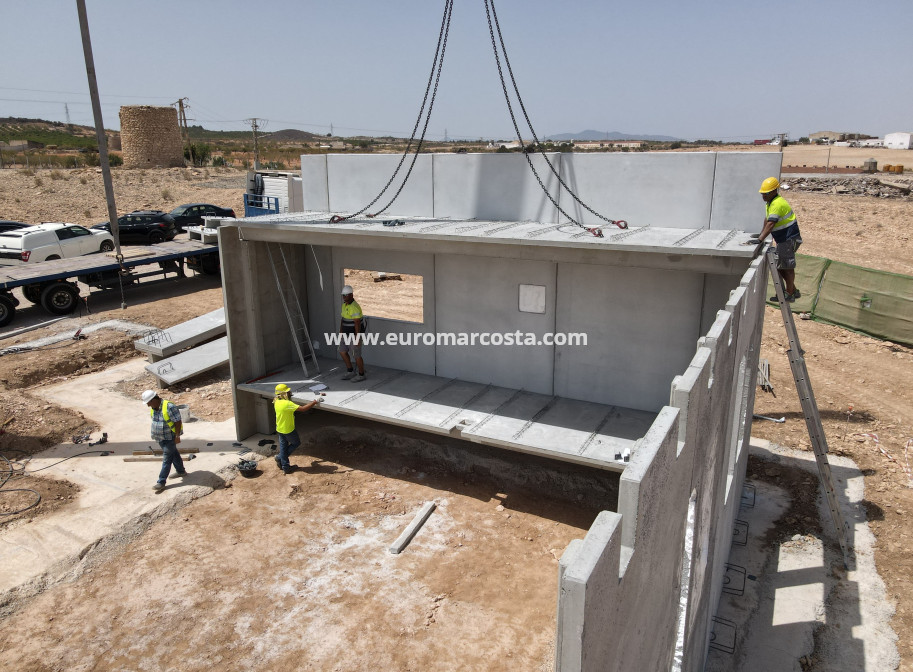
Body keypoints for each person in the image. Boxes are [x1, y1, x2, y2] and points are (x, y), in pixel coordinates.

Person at [755, 176, 803, 302]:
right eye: (762, 194)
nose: (763, 196)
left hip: (789, 239)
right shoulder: (770, 203)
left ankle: (790, 293)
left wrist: (760, 240)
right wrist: (760, 235)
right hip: (783, 240)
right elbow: (767, 220)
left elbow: (771, 224)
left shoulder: (777, 203)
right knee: (781, 266)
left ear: (774, 191)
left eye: (766, 194)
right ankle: (793, 290)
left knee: (787, 267)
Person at [142, 390, 186, 492]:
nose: (148, 405)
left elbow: (177, 421)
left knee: (167, 459)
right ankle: (181, 471)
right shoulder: (154, 408)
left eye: (148, 402)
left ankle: (161, 482)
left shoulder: (169, 407)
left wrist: (177, 436)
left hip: (170, 438)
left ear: (154, 400)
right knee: (174, 453)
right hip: (160, 438)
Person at [273, 383, 322, 474]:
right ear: (283, 394)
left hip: (280, 428)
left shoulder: (276, 401)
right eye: (288, 392)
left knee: (283, 447)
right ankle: (281, 459)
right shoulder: (287, 404)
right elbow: (303, 409)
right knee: (296, 443)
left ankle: (285, 465)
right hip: (288, 429)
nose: (289, 393)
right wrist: (315, 402)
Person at [339, 284, 366, 382]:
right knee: (342, 351)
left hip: (354, 336)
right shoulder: (344, 305)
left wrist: (357, 338)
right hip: (345, 334)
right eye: (343, 295)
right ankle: (350, 371)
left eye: (346, 295)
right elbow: (343, 319)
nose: (344, 297)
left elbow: (357, 323)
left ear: (351, 295)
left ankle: (361, 374)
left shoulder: (354, 307)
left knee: (356, 355)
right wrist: (341, 332)